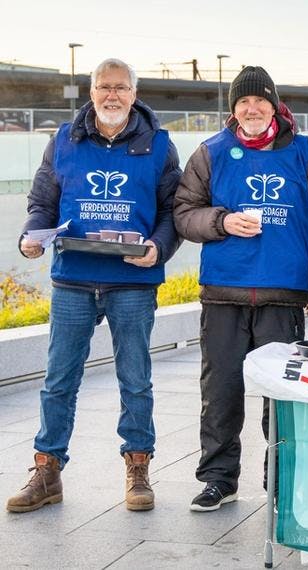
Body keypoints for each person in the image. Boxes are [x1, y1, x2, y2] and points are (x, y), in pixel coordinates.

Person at [6, 58, 182, 513]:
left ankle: (138, 468)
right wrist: (31, 236)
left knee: (136, 381)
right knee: (58, 380)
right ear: (91, 91)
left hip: (132, 282)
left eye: (121, 87)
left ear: (134, 93)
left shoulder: (159, 145)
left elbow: (172, 212)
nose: (112, 95)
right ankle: (46, 471)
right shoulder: (64, 140)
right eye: (104, 86)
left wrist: (158, 249)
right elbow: (42, 199)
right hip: (73, 280)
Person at [173, 66, 308, 512]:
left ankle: (281, 480)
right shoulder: (211, 152)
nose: (251, 109)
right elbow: (184, 212)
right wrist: (221, 221)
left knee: (280, 394)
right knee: (220, 391)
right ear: (234, 108)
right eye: (243, 102)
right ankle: (218, 479)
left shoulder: (304, 152)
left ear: (274, 105)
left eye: (259, 101)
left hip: (283, 294)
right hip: (224, 291)